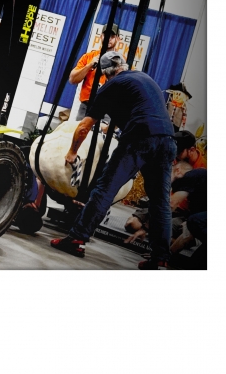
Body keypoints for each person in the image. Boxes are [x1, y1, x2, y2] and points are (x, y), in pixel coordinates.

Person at [51, 51, 176, 270]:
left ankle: (77, 239)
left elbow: (83, 126)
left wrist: (72, 151)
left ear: (105, 74)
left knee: (104, 189)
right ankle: (160, 258)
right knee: (160, 202)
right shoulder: (144, 78)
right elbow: (139, 114)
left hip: (139, 140)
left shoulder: (111, 86)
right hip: (167, 142)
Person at [69, 23, 119, 120]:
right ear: (101, 37)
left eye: (112, 36)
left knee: (101, 134)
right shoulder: (89, 57)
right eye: (106, 35)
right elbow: (72, 79)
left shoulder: (121, 61)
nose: (108, 38)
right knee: (79, 133)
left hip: (107, 110)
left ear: (117, 39)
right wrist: (90, 65)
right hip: (86, 107)